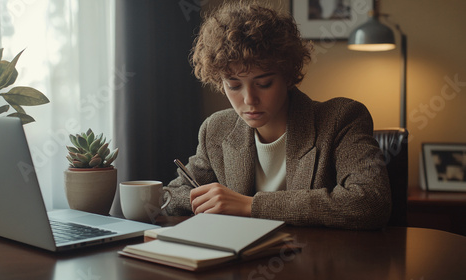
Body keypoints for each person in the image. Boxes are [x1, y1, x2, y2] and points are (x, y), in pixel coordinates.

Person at [163, 1, 391, 230]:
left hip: (319, 260)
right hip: (239, 259)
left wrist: (250, 206)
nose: (249, 99)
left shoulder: (342, 118)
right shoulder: (216, 129)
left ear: (288, 76)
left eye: (264, 83)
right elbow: (172, 196)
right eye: (234, 86)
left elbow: (369, 202)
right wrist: (208, 200)